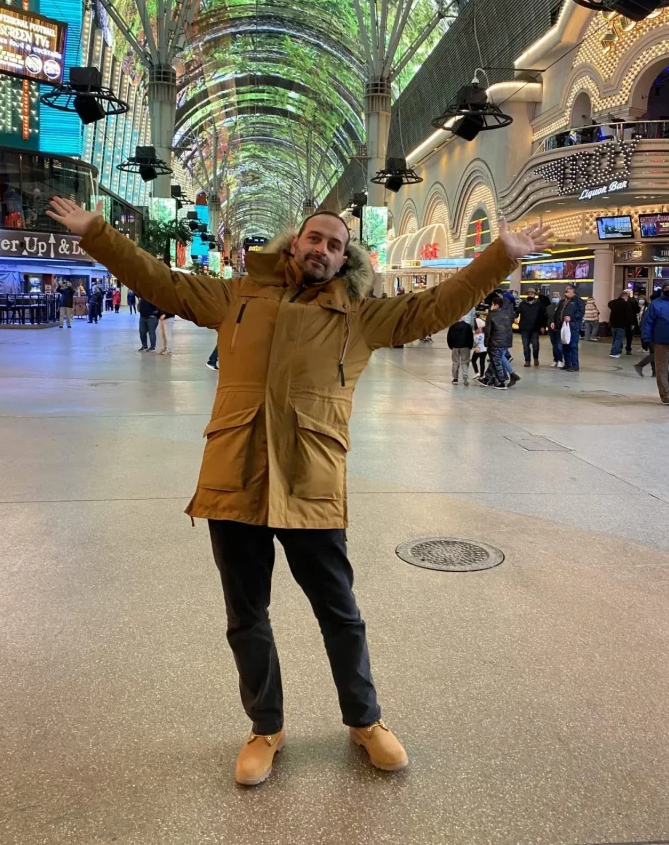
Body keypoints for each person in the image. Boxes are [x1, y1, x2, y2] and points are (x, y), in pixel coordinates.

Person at [46, 195, 551, 785]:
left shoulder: (361, 315)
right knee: (246, 615)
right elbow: (160, 281)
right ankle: (266, 727)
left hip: (311, 481)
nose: (323, 249)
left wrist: (500, 257)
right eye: (315, 238)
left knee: (340, 612)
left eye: (336, 245)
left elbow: (436, 306)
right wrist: (97, 234)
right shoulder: (237, 295)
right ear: (296, 242)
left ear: (345, 260)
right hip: (236, 476)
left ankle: (365, 721)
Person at [480, 293, 519, 389]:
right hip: (505, 341)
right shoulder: (506, 314)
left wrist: (486, 343)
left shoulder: (491, 315)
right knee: (495, 360)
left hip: (495, 341)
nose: (491, 306)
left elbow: (488, 331)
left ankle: (501, 381)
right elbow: (509, 328)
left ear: (495, 304)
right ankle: (486, 379)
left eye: (492, 304)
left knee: (496, 361)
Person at [556, 284, 584, 371]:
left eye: (568, 289)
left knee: (573, 346)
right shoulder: (564, 301)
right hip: (564, 327)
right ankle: (567, 363)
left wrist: (571, 318)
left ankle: (575, 365)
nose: (566, 290)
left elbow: (581, 313)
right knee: (565, 345)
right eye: (566, 289)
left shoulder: (578, 301)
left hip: (573, 327)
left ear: (573, 290)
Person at [517, 288, 545, 366]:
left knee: (535, 345)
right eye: (529, 294)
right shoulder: (522, 304)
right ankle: (527, 361)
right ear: (527, 295)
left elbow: (542, 316)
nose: (530, 295)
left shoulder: (539, 304)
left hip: (535, 328)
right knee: (525, 345)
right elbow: (517, 313)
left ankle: (536, 358)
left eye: (532, 294)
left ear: (534, 295)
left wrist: (543, 326)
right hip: (524, 328)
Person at [607, 290, 635, 359]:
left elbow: (609, 304)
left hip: (613, 323)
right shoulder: (626, 304)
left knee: (615, 338)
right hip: (621, 324)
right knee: (619, 339)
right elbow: (629, 315)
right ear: (625, 296)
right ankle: (614, 352)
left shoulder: (612, 302)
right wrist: (632, 323)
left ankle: (618, 351)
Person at [447, 317, 473, 386]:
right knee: (465, 362)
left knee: (455, 362)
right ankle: (465, 375)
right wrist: (470, 346)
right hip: (465, 346)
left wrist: (451, 346)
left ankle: (455, 379)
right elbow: (470, 337)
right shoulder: (467, 326)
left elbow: (449, 337)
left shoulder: (452, 327)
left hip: (455, 347)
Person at [546, 291, 564, 367]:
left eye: (556, 297)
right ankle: (555, 359)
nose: (554, 298)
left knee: (559, 345)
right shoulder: (549, 307)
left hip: (559, 328)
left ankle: (560, 360)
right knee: (554, 345)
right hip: (551, 328)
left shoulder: (562, 307)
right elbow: (547, 317)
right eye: (553, 297)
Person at [471, 315, 487, 380]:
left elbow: (475, 343)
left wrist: (474, 346)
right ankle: (482, 375)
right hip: (485, 349)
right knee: (482, 362)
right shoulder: (485, 334)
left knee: (473, 360)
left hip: (478, 349)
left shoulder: (477, 336)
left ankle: (477, 372)